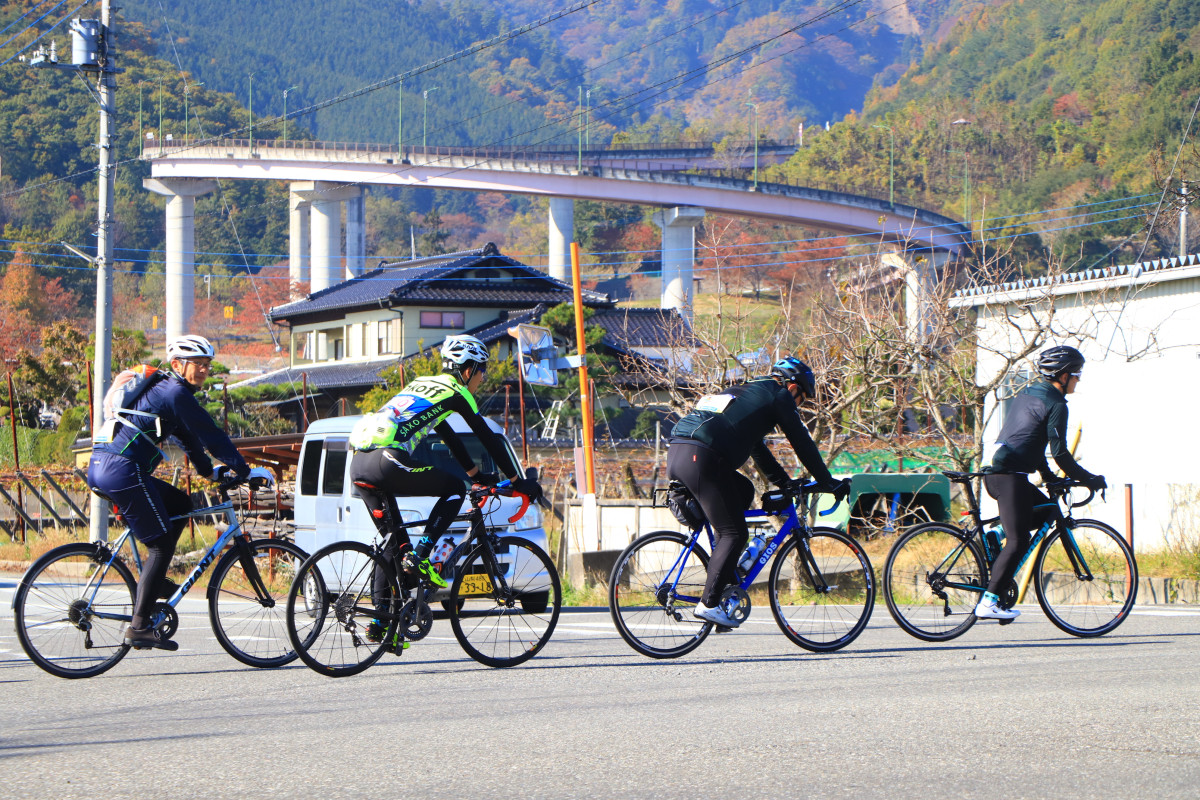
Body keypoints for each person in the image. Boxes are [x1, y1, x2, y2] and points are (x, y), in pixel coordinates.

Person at [348, 334, 540, 613]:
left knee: (393, 545)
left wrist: (476, 475)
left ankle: (380, 622)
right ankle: (423, 555)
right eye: (481, 370)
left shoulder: (421, 385)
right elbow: (486, 435)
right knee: (454, 488)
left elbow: (449, 437)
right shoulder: (455, 391)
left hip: (359, 464)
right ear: (467, 370)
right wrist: (517, 481)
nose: (482, 378)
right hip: (388, 460)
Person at [87, 335, 253, 651]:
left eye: (207, 365)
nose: (204, 370)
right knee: (162, 544)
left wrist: (209, 472)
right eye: (197, 364)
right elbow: (211, 434)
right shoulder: (175, 392)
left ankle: (154, 582)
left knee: (179, 503)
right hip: (121, 469)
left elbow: (189, 439)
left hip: (105, 465)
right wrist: (245, 471)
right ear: (177, 365)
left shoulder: (164, 392)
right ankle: (138, 628)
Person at [667, 356, 850, 629]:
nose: (799, 405)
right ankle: (709, 604)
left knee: (743, 492)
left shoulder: (748, 391)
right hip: (703, 458)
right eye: (802, 398)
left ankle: (727, 585)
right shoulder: (778, 396)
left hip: (679, 453)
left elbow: (757, 450)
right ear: (792, 387)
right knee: (734, 532)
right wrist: (826, 481)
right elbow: (800, 439)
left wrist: (784, 483)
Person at [979, 345, 1106, 620]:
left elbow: (1029, 442)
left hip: (999, 474)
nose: (1078, 379)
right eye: (1076, 373)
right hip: (1009, 477)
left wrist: (1048, 477)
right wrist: (1090, 479)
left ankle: (996, 534)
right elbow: (1060, 453)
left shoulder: (1028, 395)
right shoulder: (1057, 405)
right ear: (1062, 375)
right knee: (1019, 540)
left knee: (1048, 509)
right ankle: (988, 602)